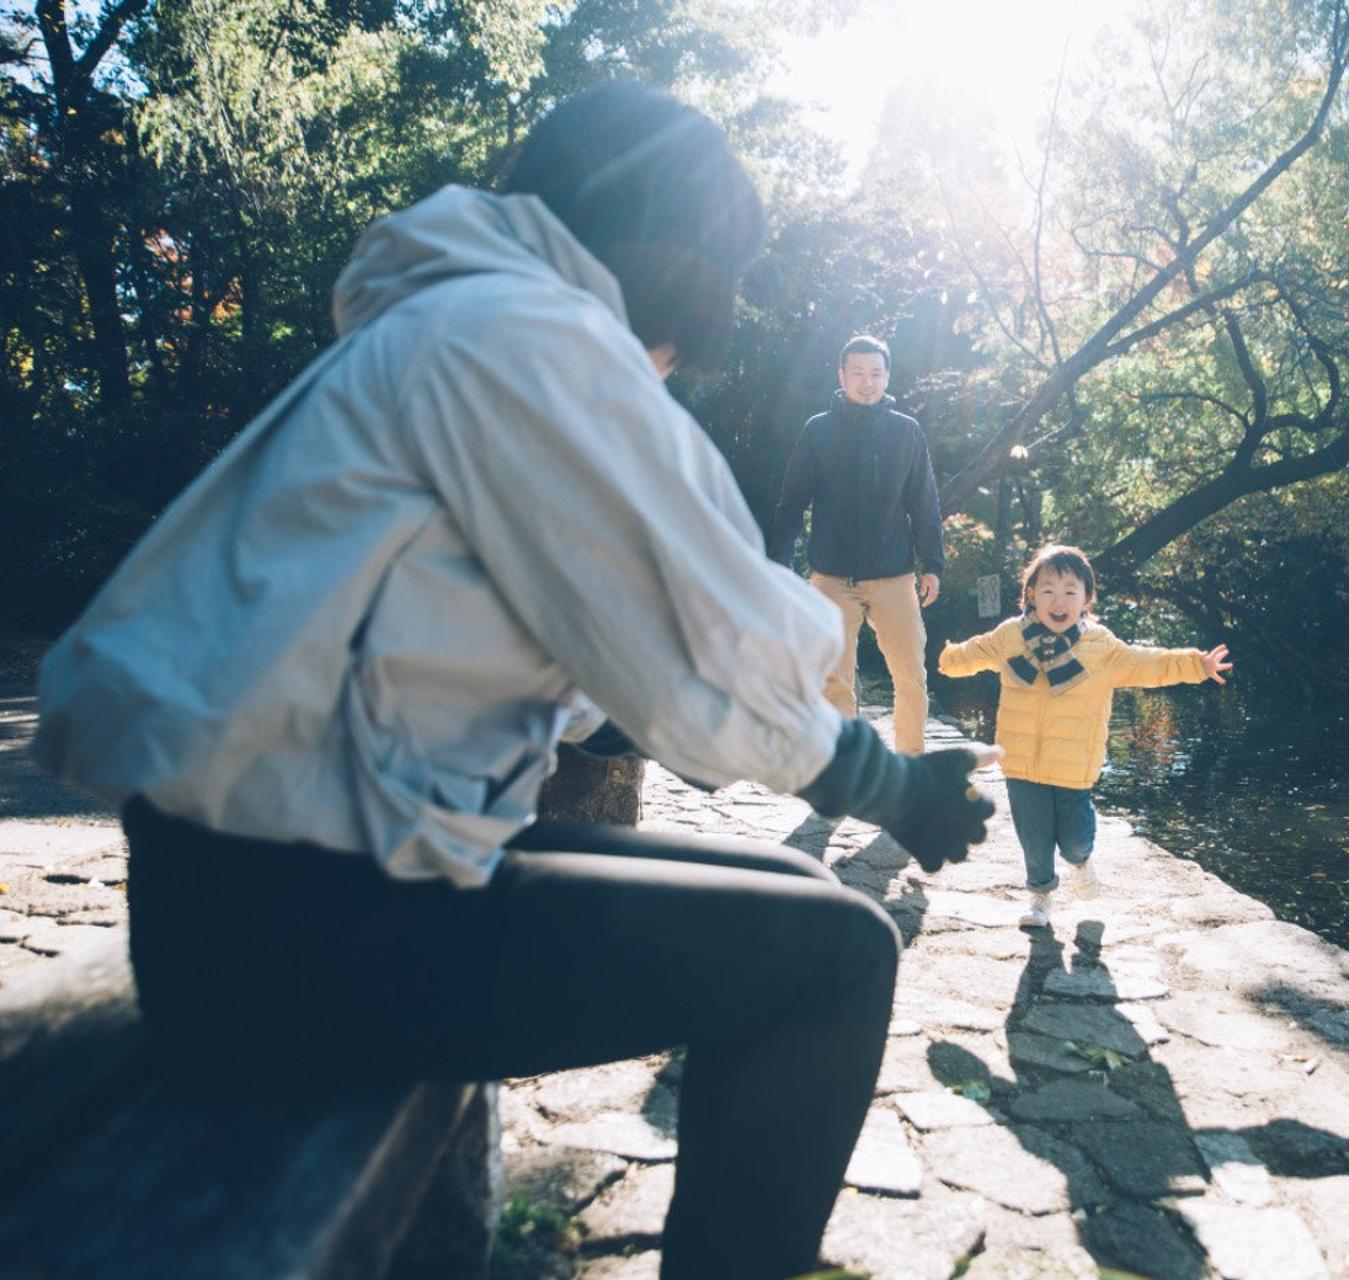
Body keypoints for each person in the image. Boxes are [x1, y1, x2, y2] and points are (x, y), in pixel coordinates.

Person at [32, 81, 995, 1280]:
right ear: (671, 247)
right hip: (297, 931)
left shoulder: (458, 321)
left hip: (271, 889)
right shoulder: (526, 337)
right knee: (841, 962)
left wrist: (671, 717)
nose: (693, 338)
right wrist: (886, 783)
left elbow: (605, 650)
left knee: (817, 906)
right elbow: (709, 631)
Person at [938, 544, 1230, 929]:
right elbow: (977, 651)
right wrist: (948, 658)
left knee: (1074, 839)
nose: (1058, 601)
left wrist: (1196, 665)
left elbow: (1148, 664)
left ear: (1086, 599)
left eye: (1070, 592)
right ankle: (1040, 899)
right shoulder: (1012, 636)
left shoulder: (1101, 648)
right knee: (1035, 840)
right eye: (1047, 591)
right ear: (1030, 596)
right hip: (1022, 763)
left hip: (1074, 767)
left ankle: (1081, 861)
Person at [770, 335, 943, 754]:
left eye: (876, 373)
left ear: (887, 376)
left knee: (911, 675)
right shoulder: (818, 431)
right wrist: (778, 567)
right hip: (831, 577)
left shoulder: (907, 431)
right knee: (832, 679)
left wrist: (932, 564)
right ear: (842, 376)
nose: (868, 382)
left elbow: (924, 502)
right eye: (859, 373)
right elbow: (791, 503)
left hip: (895, 577)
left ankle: (910, 767)